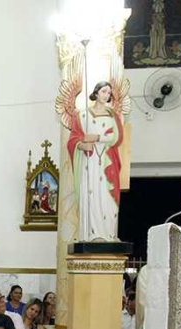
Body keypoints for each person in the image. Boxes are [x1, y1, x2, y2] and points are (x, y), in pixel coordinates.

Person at [68, 80, 124, 241]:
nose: (106, 95)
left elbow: (117, 137)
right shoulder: (83, 115)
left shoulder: (113, 115)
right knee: (91, 194)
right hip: (90, 162)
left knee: (107, 196)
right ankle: (92, 234)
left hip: (106, 161)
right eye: (104, 91)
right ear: (96, 92)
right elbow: (73, 140)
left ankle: (109, 234)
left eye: (109, 93)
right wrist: (81, 145)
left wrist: (98, 137)